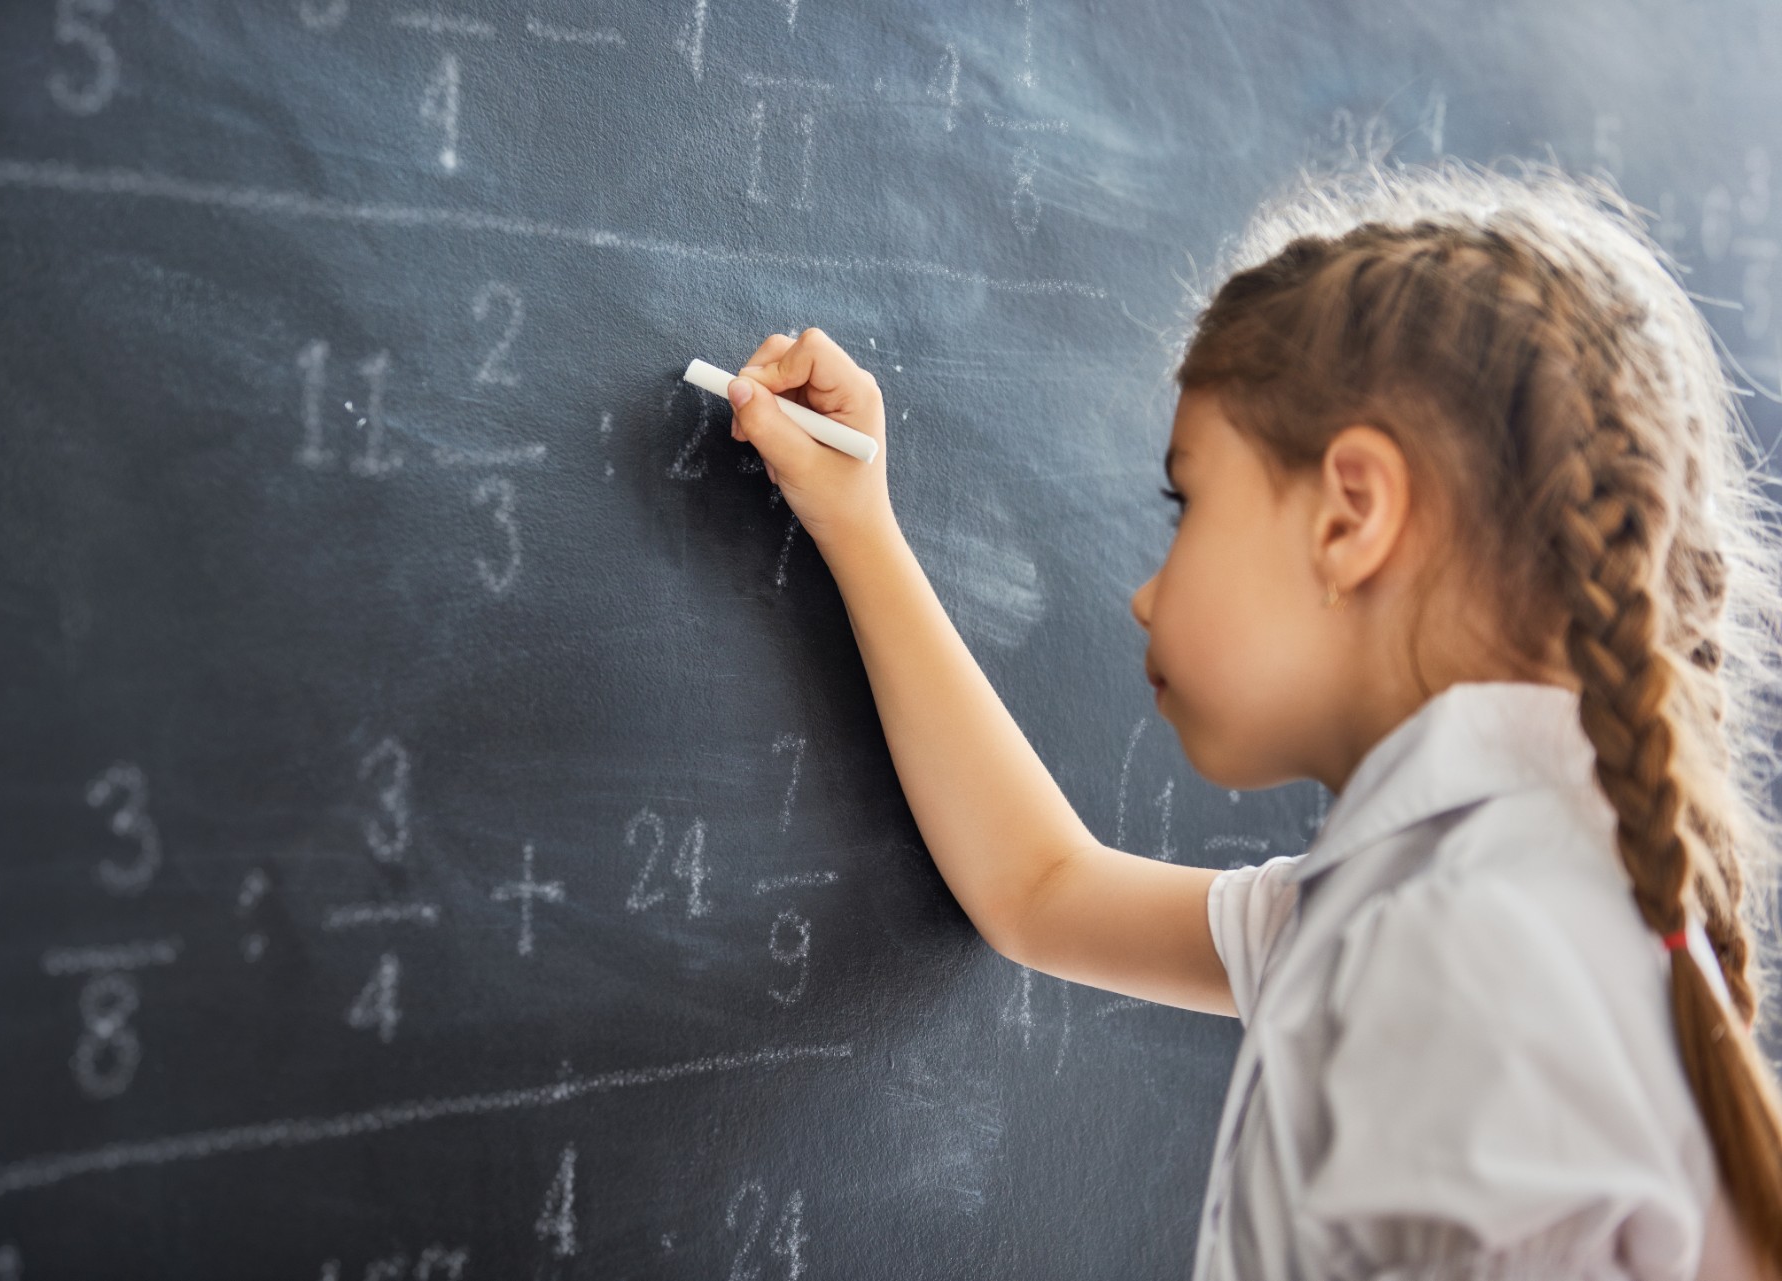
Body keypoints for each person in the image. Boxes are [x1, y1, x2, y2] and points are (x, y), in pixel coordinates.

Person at [719, 160, 1782, 1278]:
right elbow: (1039, 891)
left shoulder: (1446, 957)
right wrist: (858, 520)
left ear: (1349, 518)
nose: (1147, 591)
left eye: (1189, 501)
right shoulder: (1465, 904)